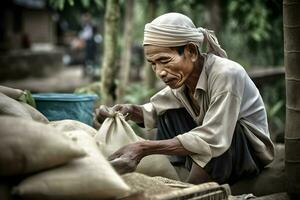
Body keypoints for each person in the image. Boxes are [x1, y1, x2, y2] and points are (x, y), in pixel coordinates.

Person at [94, 13, 274, 185]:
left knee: (217, 133)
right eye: (153, 64)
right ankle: (177, 174)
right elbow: (155, 110)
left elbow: (215, 136)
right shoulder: (182, 80)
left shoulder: (226, 74)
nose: (160, 72)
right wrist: (127, 111)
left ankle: (192, 187)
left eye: (165, 61)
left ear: (191, 51)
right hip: (219, 145)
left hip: (248, 153)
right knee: (166, 112)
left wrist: (143, 148)